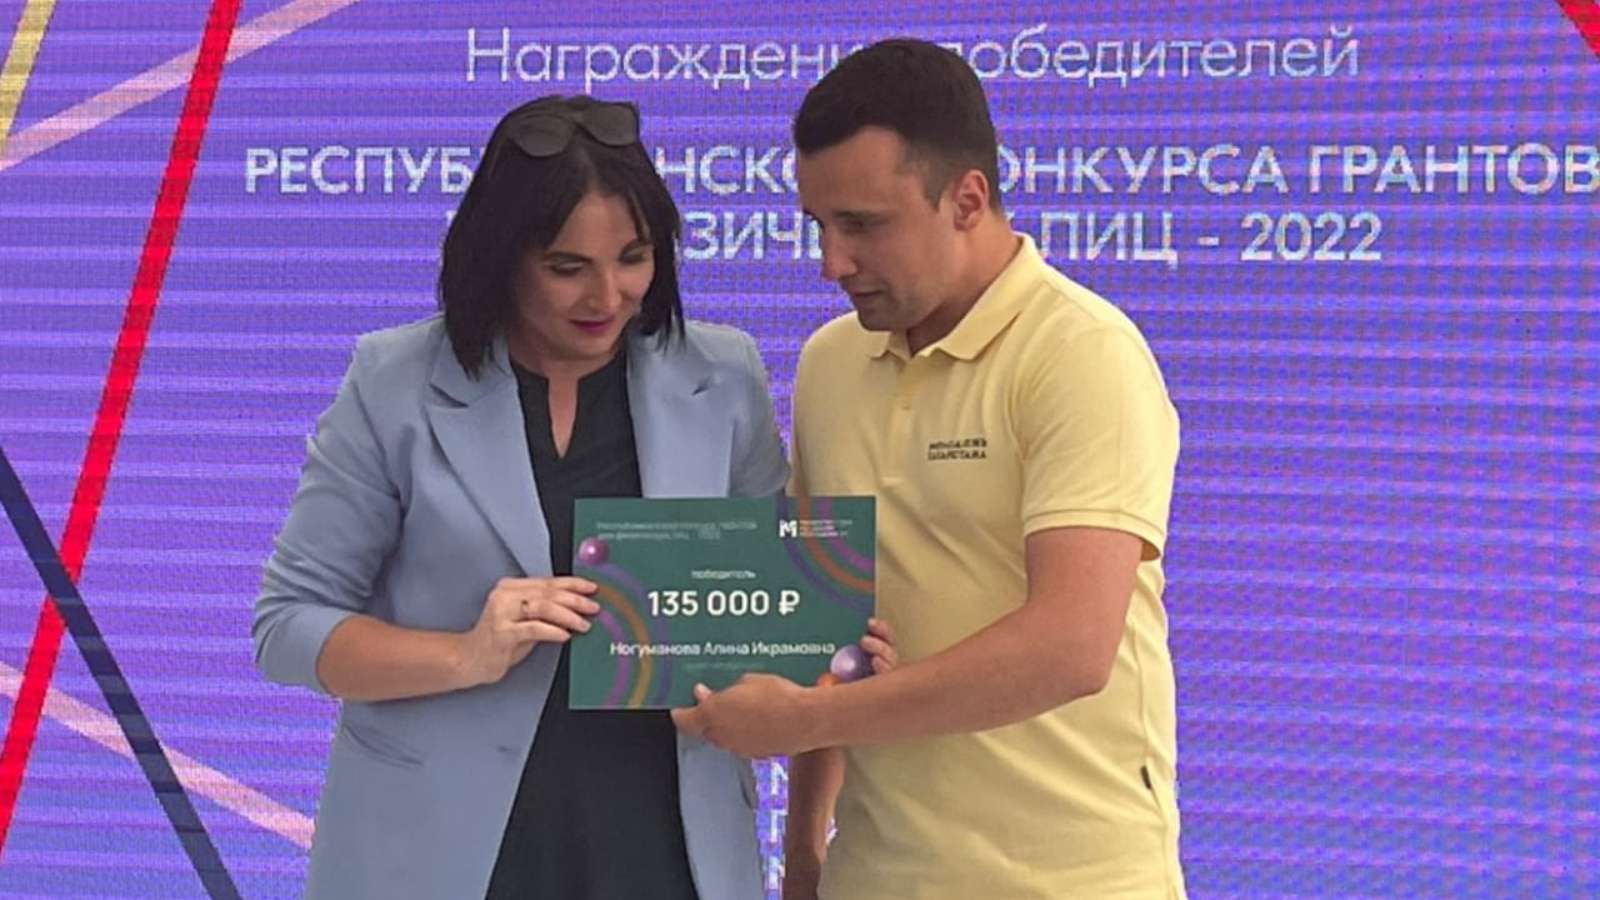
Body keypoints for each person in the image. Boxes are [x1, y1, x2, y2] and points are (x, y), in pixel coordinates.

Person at [671, 39, 1186, 900]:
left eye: (863, 225)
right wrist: (802, 860)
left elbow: (1070, 647)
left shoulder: (1082, 354)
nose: (832, 262)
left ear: (967, 200)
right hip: (870, 876)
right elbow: (826, 628)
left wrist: (806, 717)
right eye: (819, 226)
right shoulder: (831, 363)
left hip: (1074, 882)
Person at [253, 95, 800, 900]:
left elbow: (767, 606)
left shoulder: (724, 375)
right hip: (441, 849)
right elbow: (288, 625)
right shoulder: (393, 382)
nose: (608, 296)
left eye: (634, 257)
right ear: (502, 256)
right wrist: (463, 655)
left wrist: (828, 652)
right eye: (568, 267)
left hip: (667, 836)